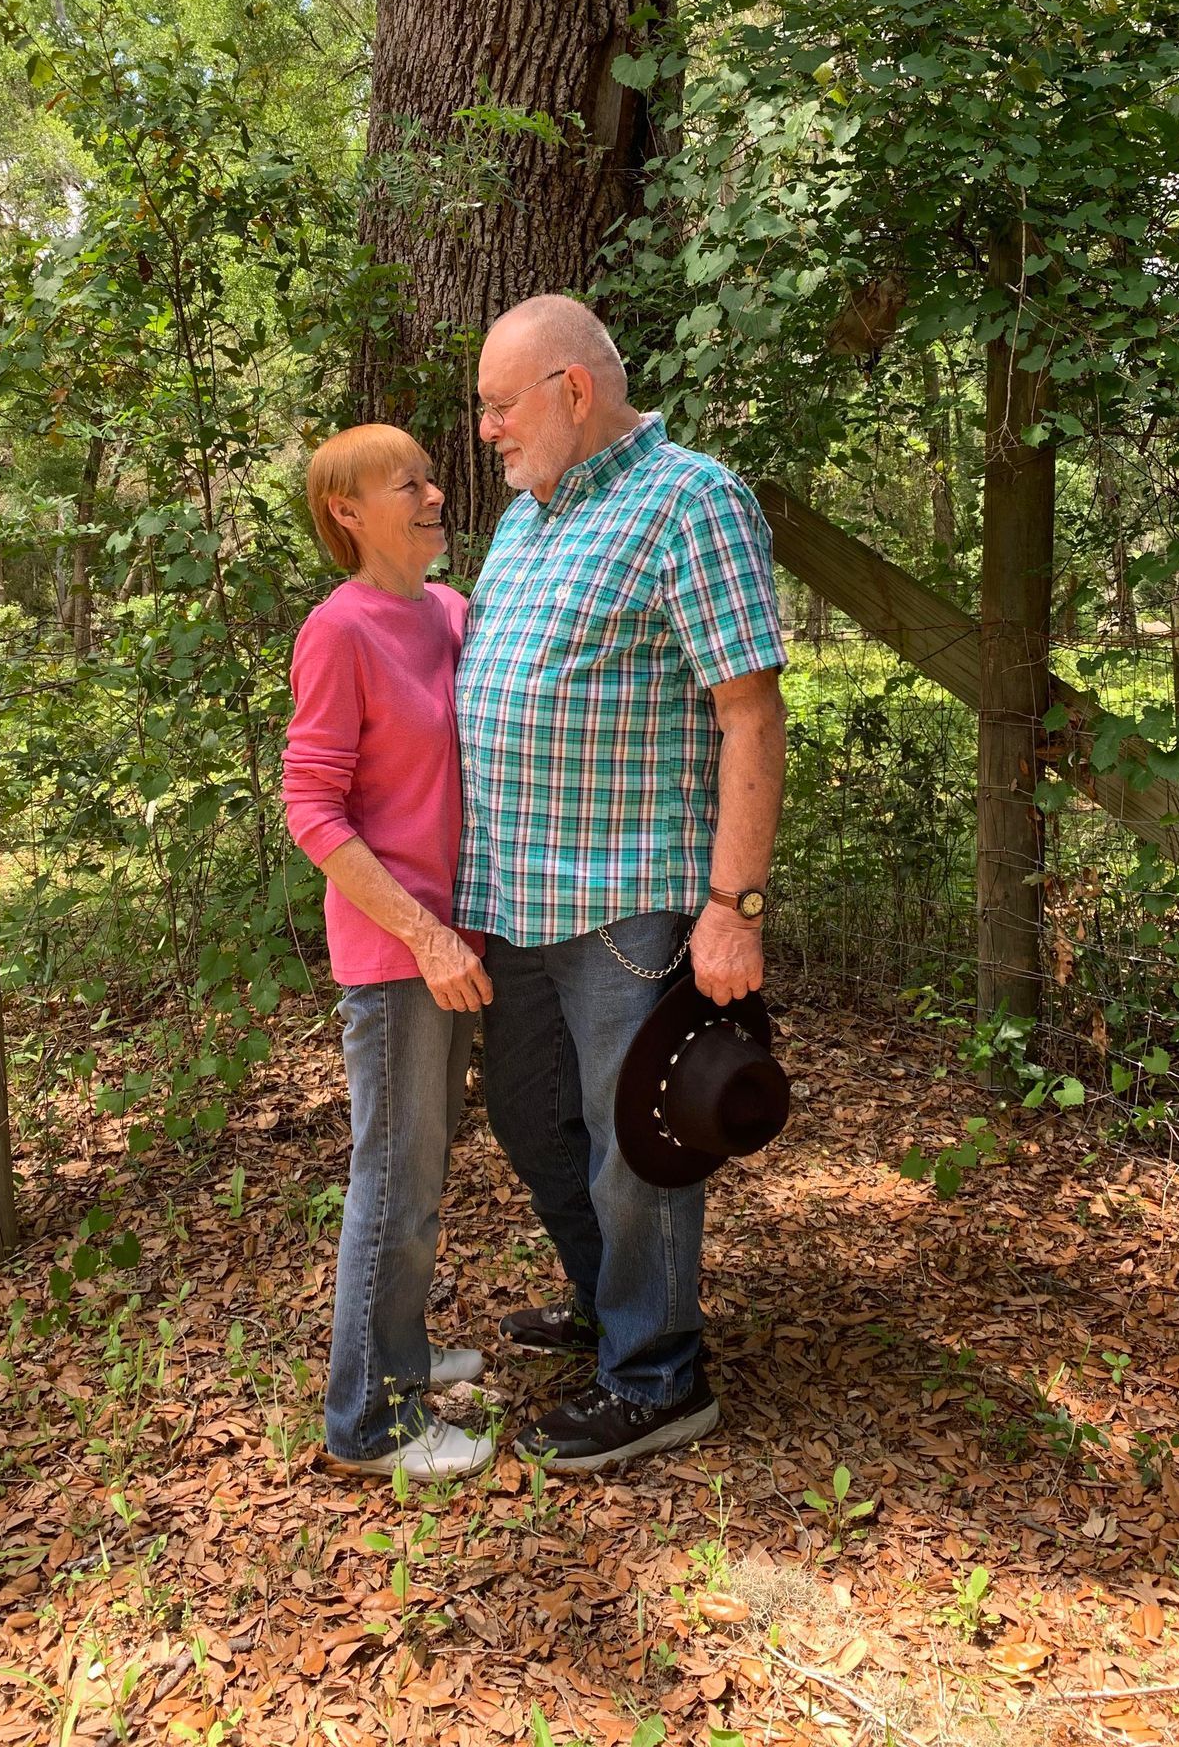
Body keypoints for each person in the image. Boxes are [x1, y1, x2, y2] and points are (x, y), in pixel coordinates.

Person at [455, 295, 788, 1471]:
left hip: (625, 899)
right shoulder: (525, 515)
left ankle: (656, 1375)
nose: (487, 428)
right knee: (530, 1118)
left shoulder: (691, 500)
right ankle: (613, 1305)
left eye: (500, 405)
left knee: (631, 1139)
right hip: (509, 893)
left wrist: (733, 905)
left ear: (572, 389)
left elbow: (749, 713)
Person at [283, 425, 496, 1482]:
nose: (432, 490)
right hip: (397, 950)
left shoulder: (450, 613)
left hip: (457, 942)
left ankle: (402, 1356)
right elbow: (310, 807)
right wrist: (420, 932)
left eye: (430, 474)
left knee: (421, 1174)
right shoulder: (339, 629)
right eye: (404, 482)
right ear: (349, 514)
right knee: (393, 1182)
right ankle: (366, 1419)